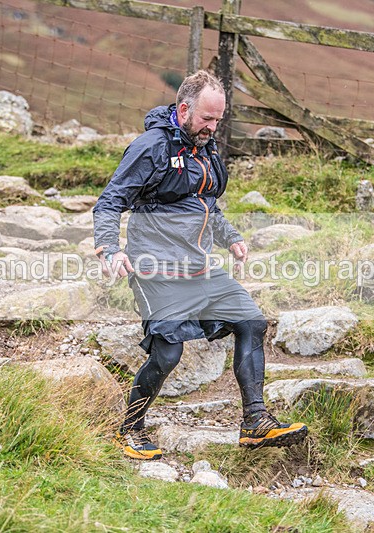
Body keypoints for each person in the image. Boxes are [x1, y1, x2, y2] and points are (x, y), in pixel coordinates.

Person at [93, 70, 307, 461]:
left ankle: (255, 421)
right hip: (155, 268)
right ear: (184, 108)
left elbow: (206, 202)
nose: (213, 127)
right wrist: (109, 247)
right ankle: (129, 429)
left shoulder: (202, 145)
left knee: (251, 321)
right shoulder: (150, 147)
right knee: (167, 355)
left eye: (218, 120)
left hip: (199, 266)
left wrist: (231, 237)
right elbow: (109, 201)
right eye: (207, 119)